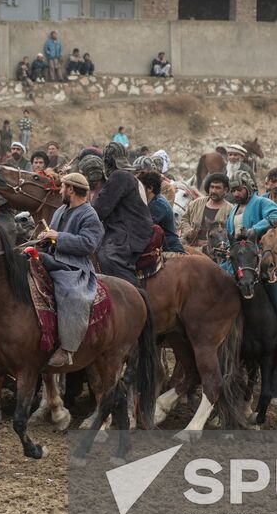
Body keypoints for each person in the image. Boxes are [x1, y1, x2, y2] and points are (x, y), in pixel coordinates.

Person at [35, 172, 104, 368]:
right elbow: (54, 237)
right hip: (51, 257)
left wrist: (58, 237)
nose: (60, 190)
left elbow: (88, 244)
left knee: (72, 294)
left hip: (74, 266)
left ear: (71, 189)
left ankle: (68, 348)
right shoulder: (61, 210)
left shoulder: (90, 215)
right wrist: (45, 239)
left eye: (63, 187)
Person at [223, 178, 277, 331]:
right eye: (233, 191)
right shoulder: (233, 209)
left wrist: (256, 229)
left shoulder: (260, 202)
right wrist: (228, 248)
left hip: (258, 255)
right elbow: (231, 235)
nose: (236, 193)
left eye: (239, 189)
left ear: (248, 187)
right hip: (238, 257)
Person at [86, 143, 152, 287]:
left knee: (108, 257)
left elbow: (100, 210)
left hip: (130, 230)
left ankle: (134, 293)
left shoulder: (119, 176)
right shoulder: (123, 176)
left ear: (108, 161)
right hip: (125, 227)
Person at [134, 158, 183, 254]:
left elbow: (144, 227)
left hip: (169, 248)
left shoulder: (159, 204)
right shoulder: (149, 200)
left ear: (150, 188)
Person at [181, 172, 231, 251]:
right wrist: (188, 230)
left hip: (215, 252)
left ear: (225, 190)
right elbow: (184, 219)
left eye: (218, 188)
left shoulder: (230, 209)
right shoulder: (196, 203)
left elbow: (230, 232)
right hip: (191, 248)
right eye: (212, 187)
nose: (213, 191)